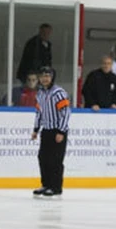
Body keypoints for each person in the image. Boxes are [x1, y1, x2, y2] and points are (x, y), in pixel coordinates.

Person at [30, 66, 71, 197]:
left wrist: (61, 131)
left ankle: (56, 187)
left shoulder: (58, 93)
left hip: (57, 131)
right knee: (43, 158)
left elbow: (65, 113)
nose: (45, 79)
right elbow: (39, 112)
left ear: (52, 77)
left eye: (47, 76)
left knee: (55, 160)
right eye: (42, 76)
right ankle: (46, 184)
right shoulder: (40, 93)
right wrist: (36, 129)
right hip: (46, 131)